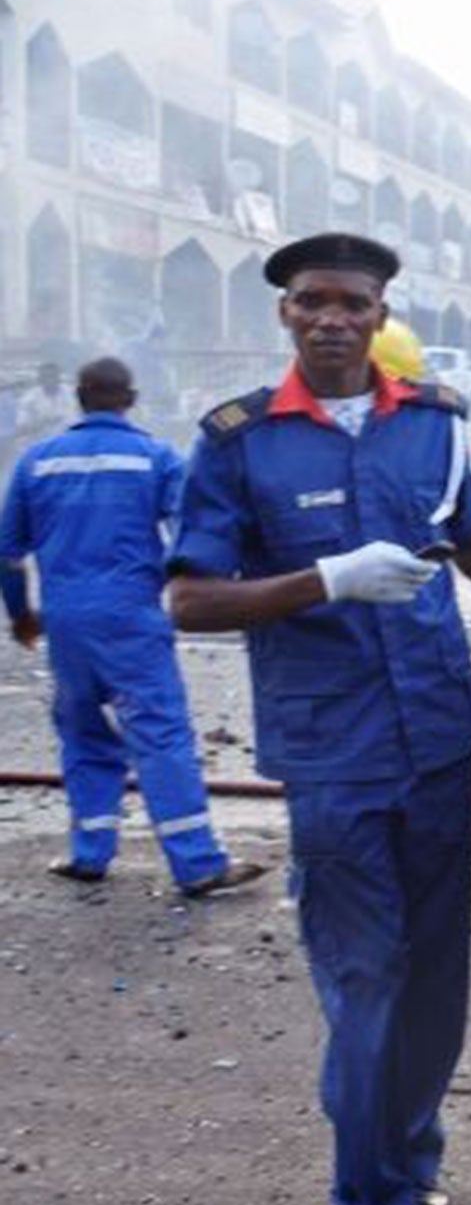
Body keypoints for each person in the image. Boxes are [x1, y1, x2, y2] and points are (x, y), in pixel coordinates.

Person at [166, 233, 471, 1205]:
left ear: (382, 314)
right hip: (332, 756)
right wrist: (322, 581)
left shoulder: (430, 425)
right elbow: (190, 598)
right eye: (310, 301)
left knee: (436, 981)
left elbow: (464, 530)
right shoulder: (239, 442)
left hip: (435, 741)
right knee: (366, 981)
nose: (331, 318)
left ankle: (412, 1169)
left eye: (353, 302)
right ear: (285, 315)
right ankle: (370, 1204)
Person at [0, 358, 264, 896]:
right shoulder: (155, 458)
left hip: (65, 624)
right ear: (131, 397)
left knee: (82, 732)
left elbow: (7, 553)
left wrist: (21, 616)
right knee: (160, 733)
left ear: (78, 397)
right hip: (131, 619)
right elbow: (192, 533)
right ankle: (196, 863)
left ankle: (90, 852)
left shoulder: (37, 463)